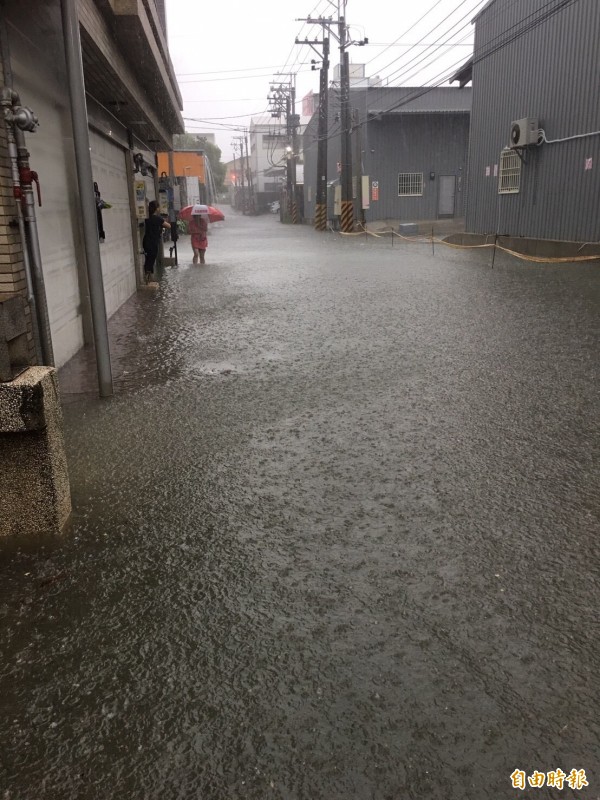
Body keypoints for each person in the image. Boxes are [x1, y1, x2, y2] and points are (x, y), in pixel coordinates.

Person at [143, 200, 170, 283]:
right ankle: (148, 278)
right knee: (151, 259)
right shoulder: (157, 218)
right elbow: (168, 226)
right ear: (156, 208)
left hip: (146, 241)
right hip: (153, 242)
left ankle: (149, 277)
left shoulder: (146, 218)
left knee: (148, 259)